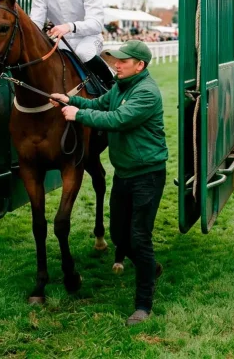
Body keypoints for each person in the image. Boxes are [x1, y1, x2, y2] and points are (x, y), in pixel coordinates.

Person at [51, 40, 168, 326]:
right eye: (115, 59)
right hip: (124, 174)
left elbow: (117, 119)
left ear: (139, 65)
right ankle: (149, 267)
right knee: (118, 235)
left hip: (147, 176)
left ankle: (143, 305)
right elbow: (99, 103)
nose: (116, 64)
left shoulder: (146, 93)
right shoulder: (120, 87)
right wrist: (70, 100)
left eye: (123, 61)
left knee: (139, 238)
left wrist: (79, 115)